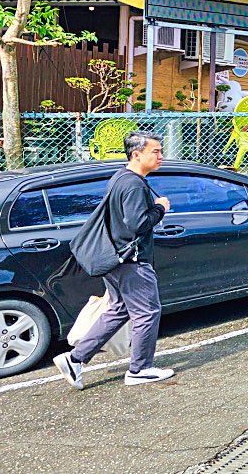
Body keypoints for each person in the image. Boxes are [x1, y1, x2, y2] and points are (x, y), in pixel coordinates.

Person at [54, 131, 173, 389]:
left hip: (116, 258)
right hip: (132, 260)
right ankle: (140, 369)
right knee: (147, 312)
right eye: (156, 151)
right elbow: (137, 224)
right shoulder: (133, 185)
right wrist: (160, 208)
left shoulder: (121, 177)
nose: (161, 156)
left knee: (119, 310)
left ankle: (74, 359)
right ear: (136, 154)